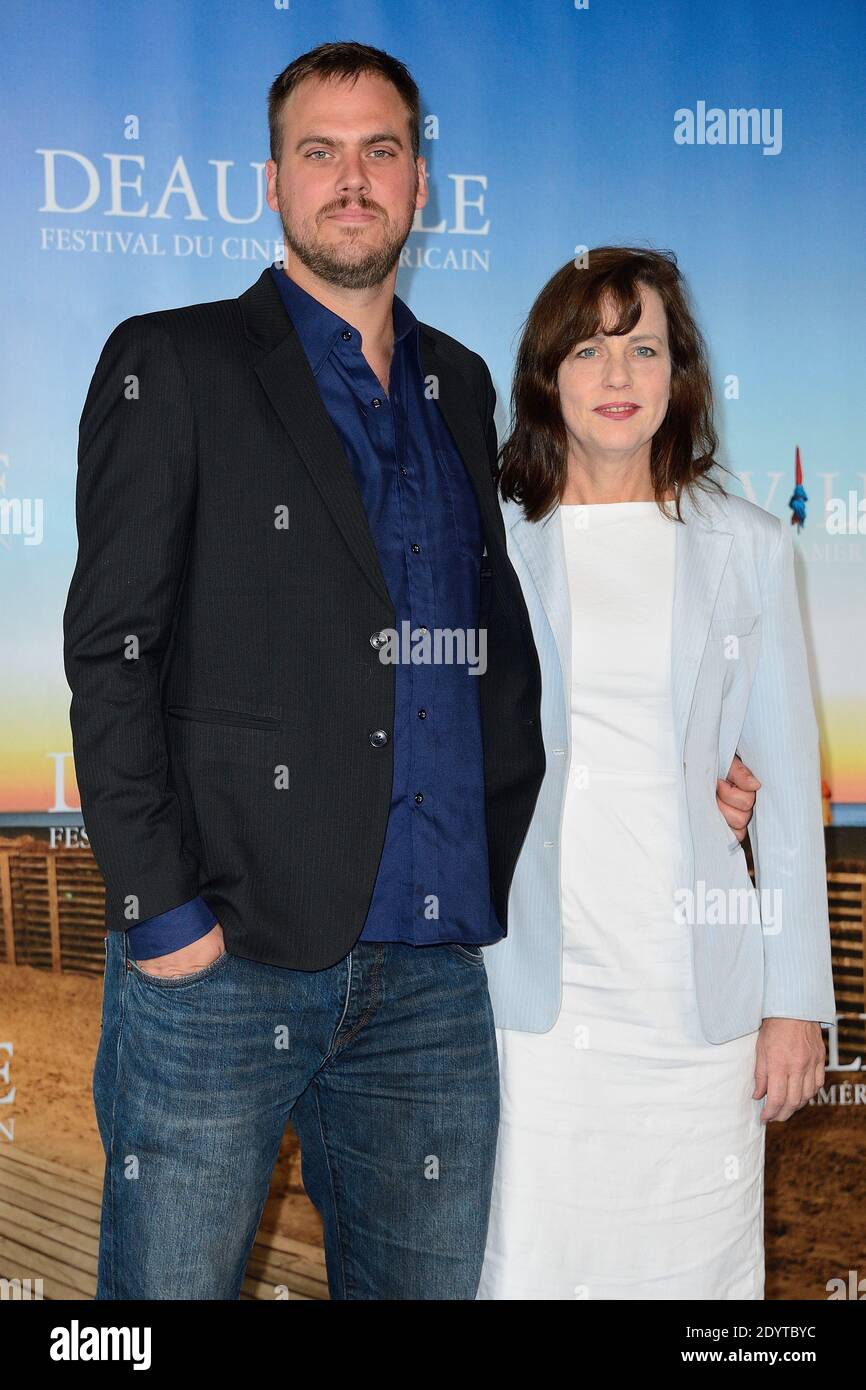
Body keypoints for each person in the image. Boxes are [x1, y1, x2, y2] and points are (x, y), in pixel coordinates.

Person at [64, 42, 754, 1300]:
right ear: (269, 183)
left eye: (379, 151)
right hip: (223, 961)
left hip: (432, 978)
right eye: (318, 153)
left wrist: (686, 776)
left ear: (420, 184)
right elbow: (112, 653)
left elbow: (502, 645)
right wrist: (164, 917)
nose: (350, 179)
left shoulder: (461, 386)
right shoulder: (171, 363)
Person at [476, 246, 836, 1301]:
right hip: (528, 991)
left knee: (691, 1270)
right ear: (547, 375)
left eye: (642, 346)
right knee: (531, 1265)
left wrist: (792, 1003)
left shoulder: (748, 549)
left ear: (679, 374)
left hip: (695, 1000)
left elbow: (785, 798)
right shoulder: (488, 544)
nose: (617, 373)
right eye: (587, 348)